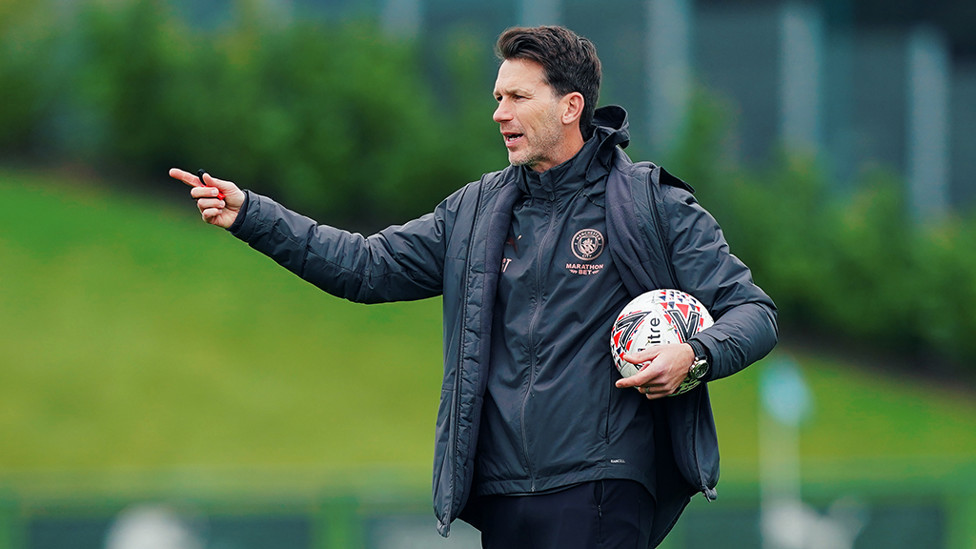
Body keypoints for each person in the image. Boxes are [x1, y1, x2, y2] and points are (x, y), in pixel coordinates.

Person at [170, 25, 777, 549]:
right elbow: (366, 266)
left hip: (604, 484)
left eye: (518, 97)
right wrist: (252, 215)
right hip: (501, 495)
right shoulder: (475, 211)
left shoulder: (651, 204)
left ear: (570, 106)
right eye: (497, 98)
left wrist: (693, 356)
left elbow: (752, 312)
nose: (499, 113)